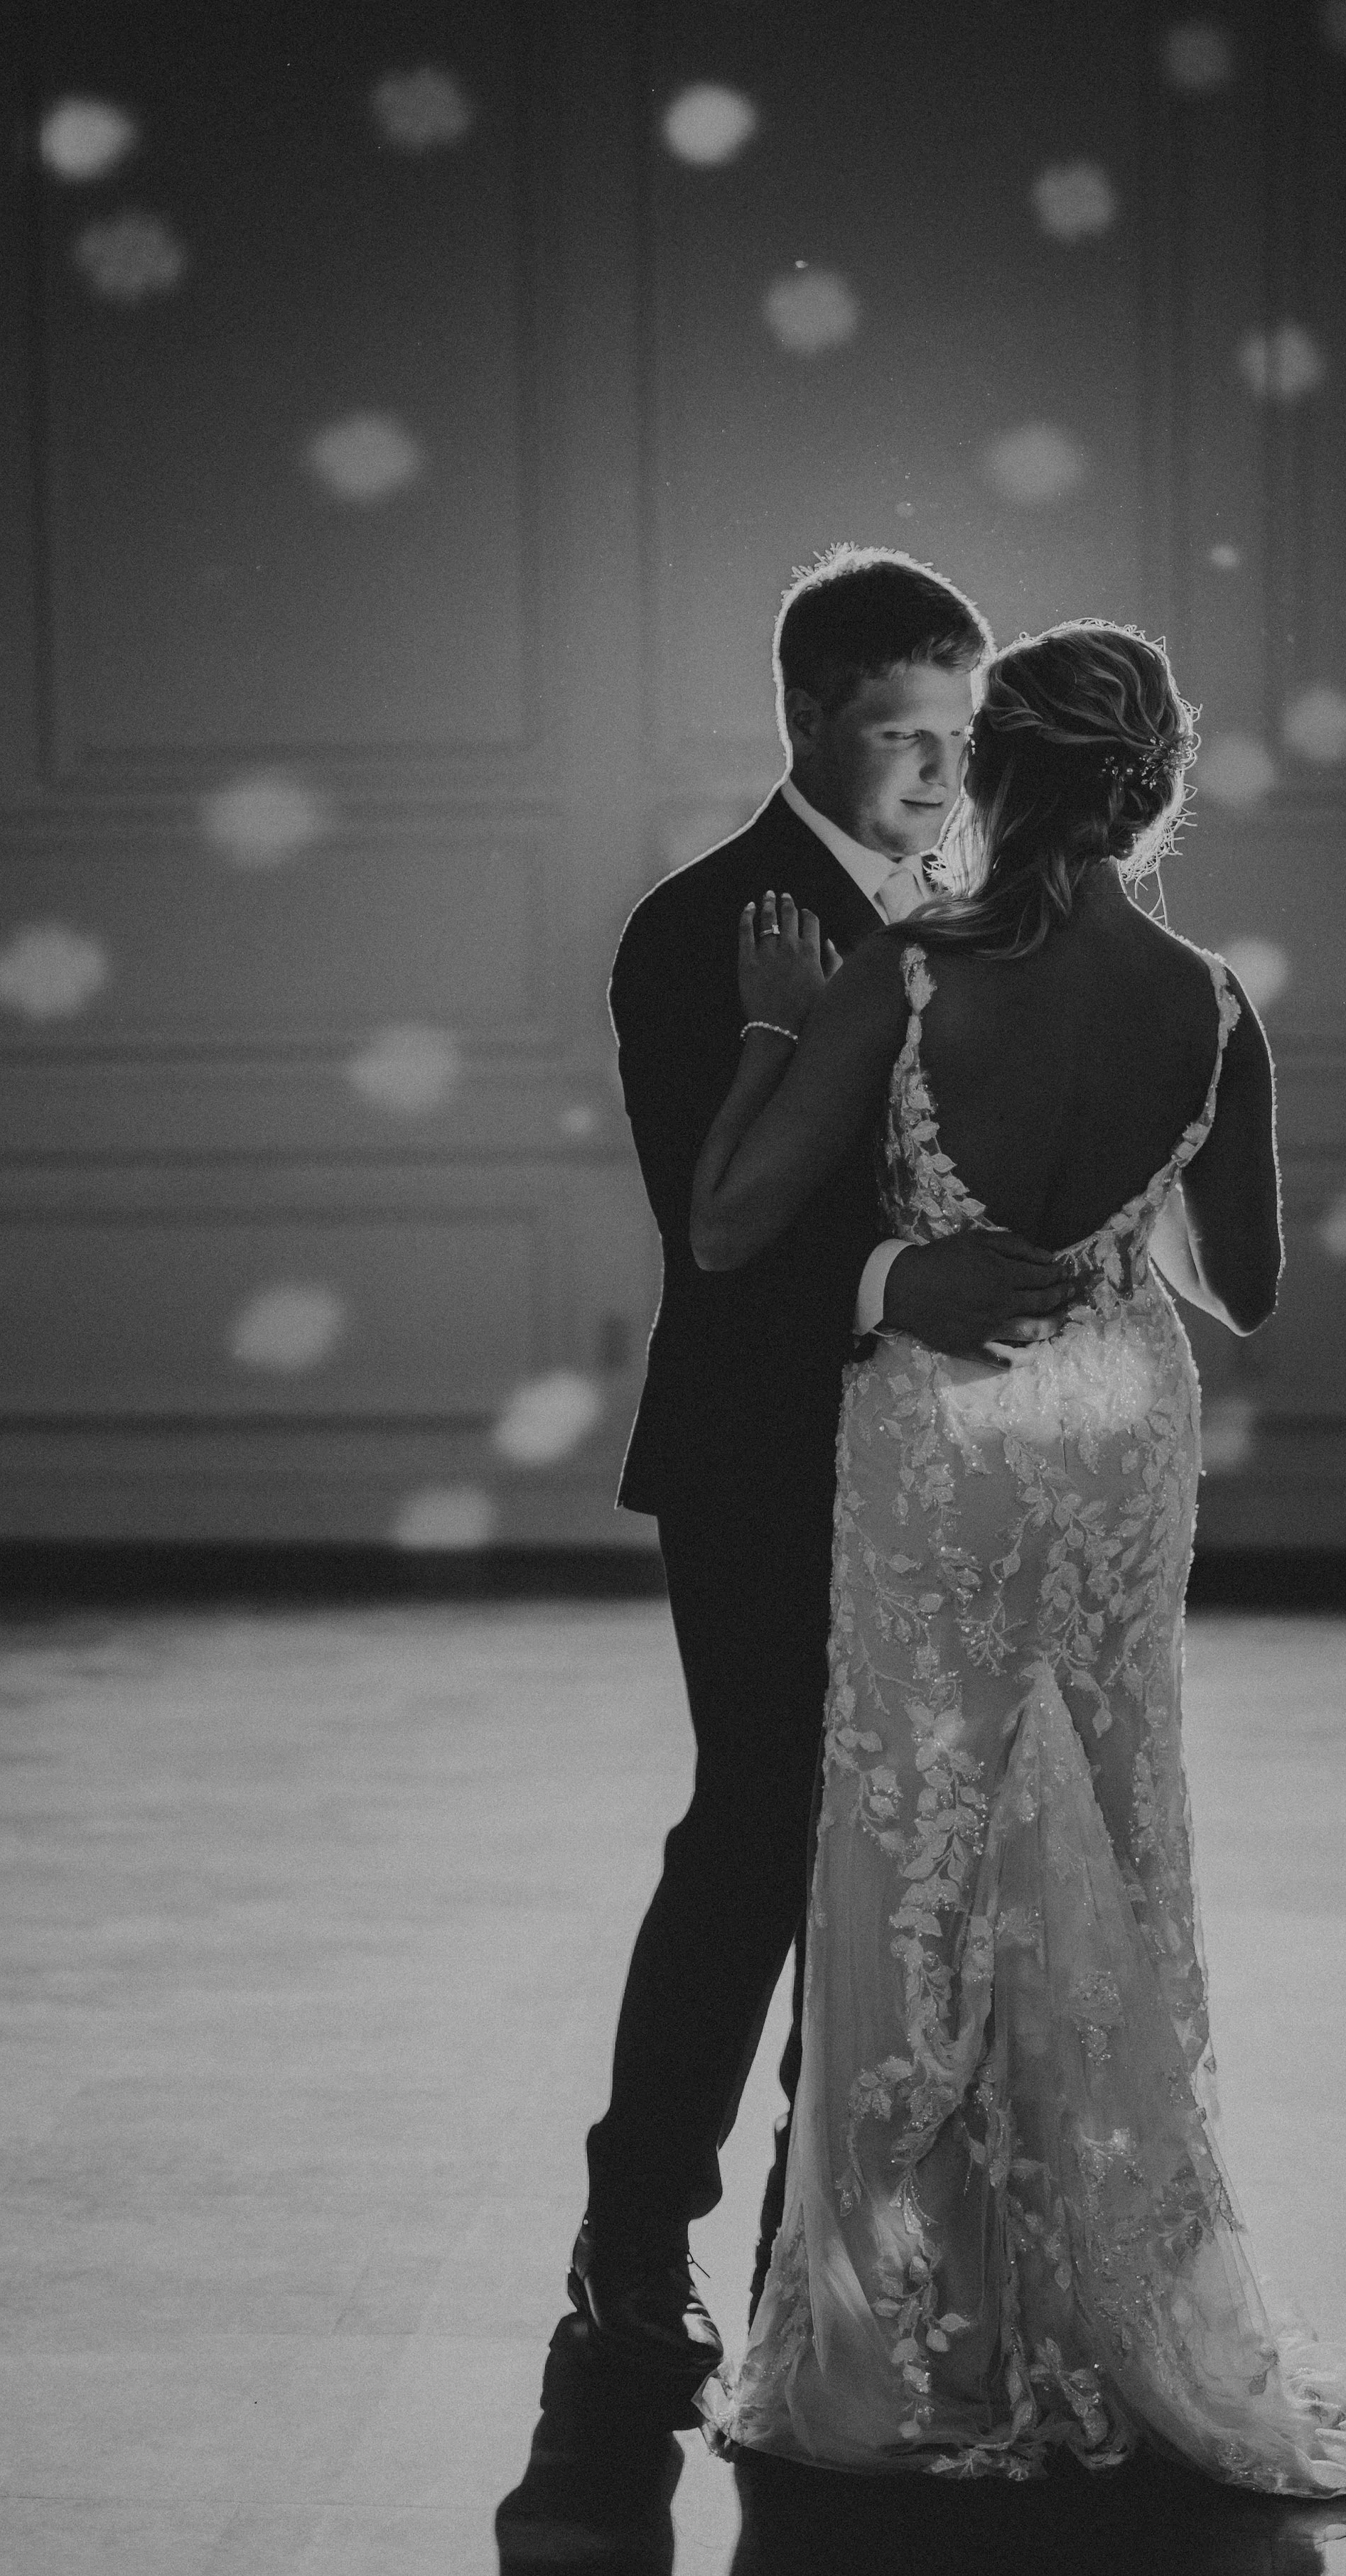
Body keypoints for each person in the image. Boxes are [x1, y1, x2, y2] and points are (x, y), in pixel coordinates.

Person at [689, 620, 1346, 2497]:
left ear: (991, 769)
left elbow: (725, 1225)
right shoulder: (1206, 1001)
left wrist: (774, 1027)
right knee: (1102, 1827)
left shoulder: (902, 974)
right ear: (1147, 787)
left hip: (948, 1420)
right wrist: (1121, 1224)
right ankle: (1111, 2292)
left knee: (925, 1840)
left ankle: (909, 2322)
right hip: (1112, 1415)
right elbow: (1246, 1286)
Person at [572, 550, 1084, 2395]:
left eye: (961, 733)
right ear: (799, 714)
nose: (943, 774)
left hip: (943, 1455)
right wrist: (900, 1279)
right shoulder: (698, 927)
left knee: (907, 1861)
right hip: (762, 1451)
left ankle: (829, 2231)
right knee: (761, 1833)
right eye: (901, 735)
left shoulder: (979, 912)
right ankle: (637, 2230)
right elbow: (716, 1228)